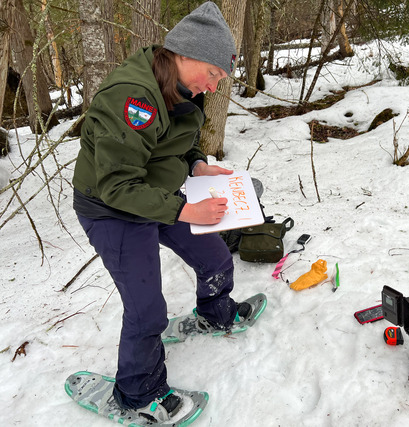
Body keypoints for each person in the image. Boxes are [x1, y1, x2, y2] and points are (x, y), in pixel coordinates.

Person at [72, 2, 250, 422]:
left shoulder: (182, 87)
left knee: (215, 258)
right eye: (213, 74)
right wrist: (187, 211)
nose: (213, 85)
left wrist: (198, 164)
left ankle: (215, 312)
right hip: (111, 209)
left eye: (220, 78)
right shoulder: (132, 99)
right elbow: (117, 186)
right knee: (147, 309)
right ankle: (137, 394)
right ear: (185, 53)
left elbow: (176, 142)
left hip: (159, 196)